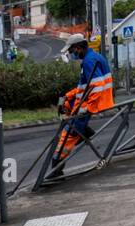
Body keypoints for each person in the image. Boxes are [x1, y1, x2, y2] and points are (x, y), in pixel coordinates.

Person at [49, 33, 114, 179]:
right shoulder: (93, 57)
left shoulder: (89, 61)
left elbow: (97, 86)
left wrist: (88, 107)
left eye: (72, 51)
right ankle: (83, 132)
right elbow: (87, 86)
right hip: (90, 102)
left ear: (79, 47)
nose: (72, 54)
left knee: (66, 136)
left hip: (89, 105)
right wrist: (70, 95)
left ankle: (55, 170)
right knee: (70, 122)